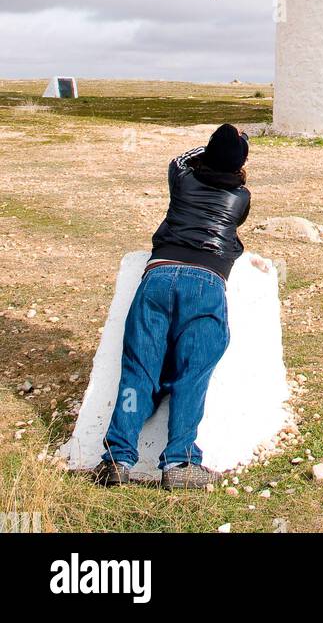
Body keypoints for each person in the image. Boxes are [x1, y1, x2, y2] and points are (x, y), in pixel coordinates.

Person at [92, 123, 251, 490]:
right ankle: (179, 462)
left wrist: (217, 144)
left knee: (138, 368)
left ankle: (117, 457)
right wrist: (234, 148)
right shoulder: (240, 197)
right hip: (207, 283)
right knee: (192, 374)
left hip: (159, 276)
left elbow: (182, 158)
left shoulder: (182, 178)